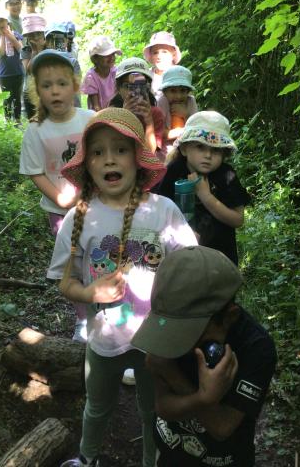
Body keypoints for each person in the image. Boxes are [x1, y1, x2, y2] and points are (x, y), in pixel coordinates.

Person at [49, 107, 198, 467]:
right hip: (103, 341)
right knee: (97, 406)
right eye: (98, 152)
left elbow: (189, 266)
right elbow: (66, 283)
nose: (109, 159)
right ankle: (88, 458)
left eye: (120, 149)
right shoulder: (79, 218)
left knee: (152, 410)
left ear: (137, 158)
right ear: (87, 165)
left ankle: (152, 461)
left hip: (155, 340)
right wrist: (90, 294)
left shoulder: (163, 211)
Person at [132, 245, 277, 467]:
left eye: (189, 333)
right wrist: (199, 397)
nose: (176, 341)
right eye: (172, 330)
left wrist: (199, 395)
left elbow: (222, 427)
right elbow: (162, 407)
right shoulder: (167, 328)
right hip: (170, 452)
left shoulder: (257, 348)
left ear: (229, 317)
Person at [20, 49, 95, 343]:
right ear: (37, 91)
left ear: (74, 86)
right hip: (60, 213)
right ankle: (83, 318)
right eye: (47, 85)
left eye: (62, 83)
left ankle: (107, 310)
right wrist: (61, 199)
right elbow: (35, 172)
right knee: (73, 263)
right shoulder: (36, 130)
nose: (55, 91)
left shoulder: (90, 120)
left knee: (100, 256)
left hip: (97, 206)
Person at [155, 111, 250, 265]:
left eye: (216, 149)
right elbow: (159, 210)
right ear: (184, 149)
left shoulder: (226, 175)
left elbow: (238, 219)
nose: (208, 155)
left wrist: (206, 196)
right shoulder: (174, 171)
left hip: (220, 258)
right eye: (200, 147)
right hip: (180, 256)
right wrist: (181, 232)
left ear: (224, 153)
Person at [109, 57, 166, 161]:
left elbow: (150, 152)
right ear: (119, 89)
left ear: (148, 87)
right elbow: (114, 148)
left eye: (140, 85)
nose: (134, 92)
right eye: (128, 86)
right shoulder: (112, 113)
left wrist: (149, 122)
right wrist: (124, 117)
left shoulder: (155, 113)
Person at [0, 15, 24, 123]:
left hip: (18, 71)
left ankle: (18, 120)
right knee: (7, 98)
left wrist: (10, 36)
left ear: (8, 25)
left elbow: (20, 48)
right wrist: (2, 37)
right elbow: (0, 52)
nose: (2, 29)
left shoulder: (16, 34)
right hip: (4, 73)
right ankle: (8, 121)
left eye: (4, 26)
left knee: (17, 97)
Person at [157, 66, 198, 150]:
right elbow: (160, 132)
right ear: (164, 91)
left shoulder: (191, 101)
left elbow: (197, 128)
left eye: (183, 90)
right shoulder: (162, 101)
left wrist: (185, 114)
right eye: (173, 91)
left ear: (188, 91)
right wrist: (183, 131)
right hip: (167, 148)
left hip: (188, 146)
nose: (178, 96)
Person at [45, 22, 81, 107]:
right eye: (51, 38)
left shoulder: (73, 62)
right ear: (46, 42)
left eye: (60, 38)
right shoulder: (43, 63)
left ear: (66, 40)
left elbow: (75, 91)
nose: (56, 42)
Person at [81, 36, 122, 111]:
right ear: (95, 59)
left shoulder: (116, 72)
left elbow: (119, 96)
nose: (112, 58)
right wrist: (104, 116)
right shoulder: (91, 77)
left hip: (114, 111)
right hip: (98, 114)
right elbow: (96, 106)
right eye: (107, 55)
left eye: (113, 54)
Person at [20, 13, 47, 120]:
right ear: (27, 36)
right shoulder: (25, 50)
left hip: (46, 89)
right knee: (34, 121)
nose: (35, 37)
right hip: (30, 92)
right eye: (31, 34)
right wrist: (36, 51)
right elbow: (29, 70)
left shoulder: (49, 47)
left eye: (38, 33)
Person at [143, 31, 181, 98]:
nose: (159, 56)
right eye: (155, 53)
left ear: (173, 54)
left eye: (164, 52)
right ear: (151, 56)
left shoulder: (180, 74)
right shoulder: (146, 76)